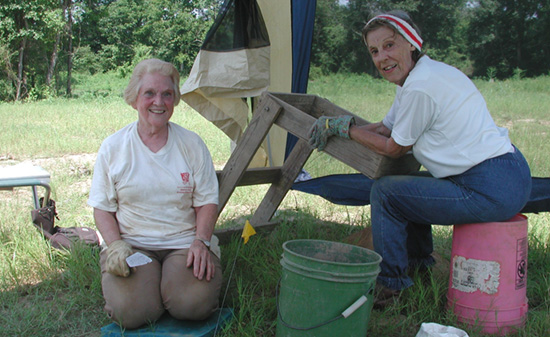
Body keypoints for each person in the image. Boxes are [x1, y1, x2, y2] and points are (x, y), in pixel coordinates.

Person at [308, 10, 532, 307]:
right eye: (374, 51)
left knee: (386, 193)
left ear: (411, 43)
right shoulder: (419, 77)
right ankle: (419, 264)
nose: (381, 57)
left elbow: (393, 147)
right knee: (405, 185)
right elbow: (385, 127)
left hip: (491, 186)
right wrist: (338, 124)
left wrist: (344, 129)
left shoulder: (420, 87)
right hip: (503, 173)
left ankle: (390, 286)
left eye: (389, 45)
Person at [88, 58, 222, 328]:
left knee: (193, 304)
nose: (158, 102)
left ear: (174, 100)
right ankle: (153, 291)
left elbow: (207, 201)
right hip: (133, 245)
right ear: (134, 98)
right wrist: (115, 246)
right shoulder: (113, 147)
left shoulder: (192, 144)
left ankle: (170, 288)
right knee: (130, 312)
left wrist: (201, 241)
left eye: (167, 94)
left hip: (184, 243)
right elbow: (102, 207)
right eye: (149, 93)